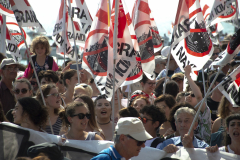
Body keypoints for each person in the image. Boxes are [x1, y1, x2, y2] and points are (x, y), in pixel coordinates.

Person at [184, 65, 211, 144]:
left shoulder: (204, 110)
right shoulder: (182, 110)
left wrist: (187, 76)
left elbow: (198, 97)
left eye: (193, 95)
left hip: (202, 148)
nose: (189, 96)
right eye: (187, 94)